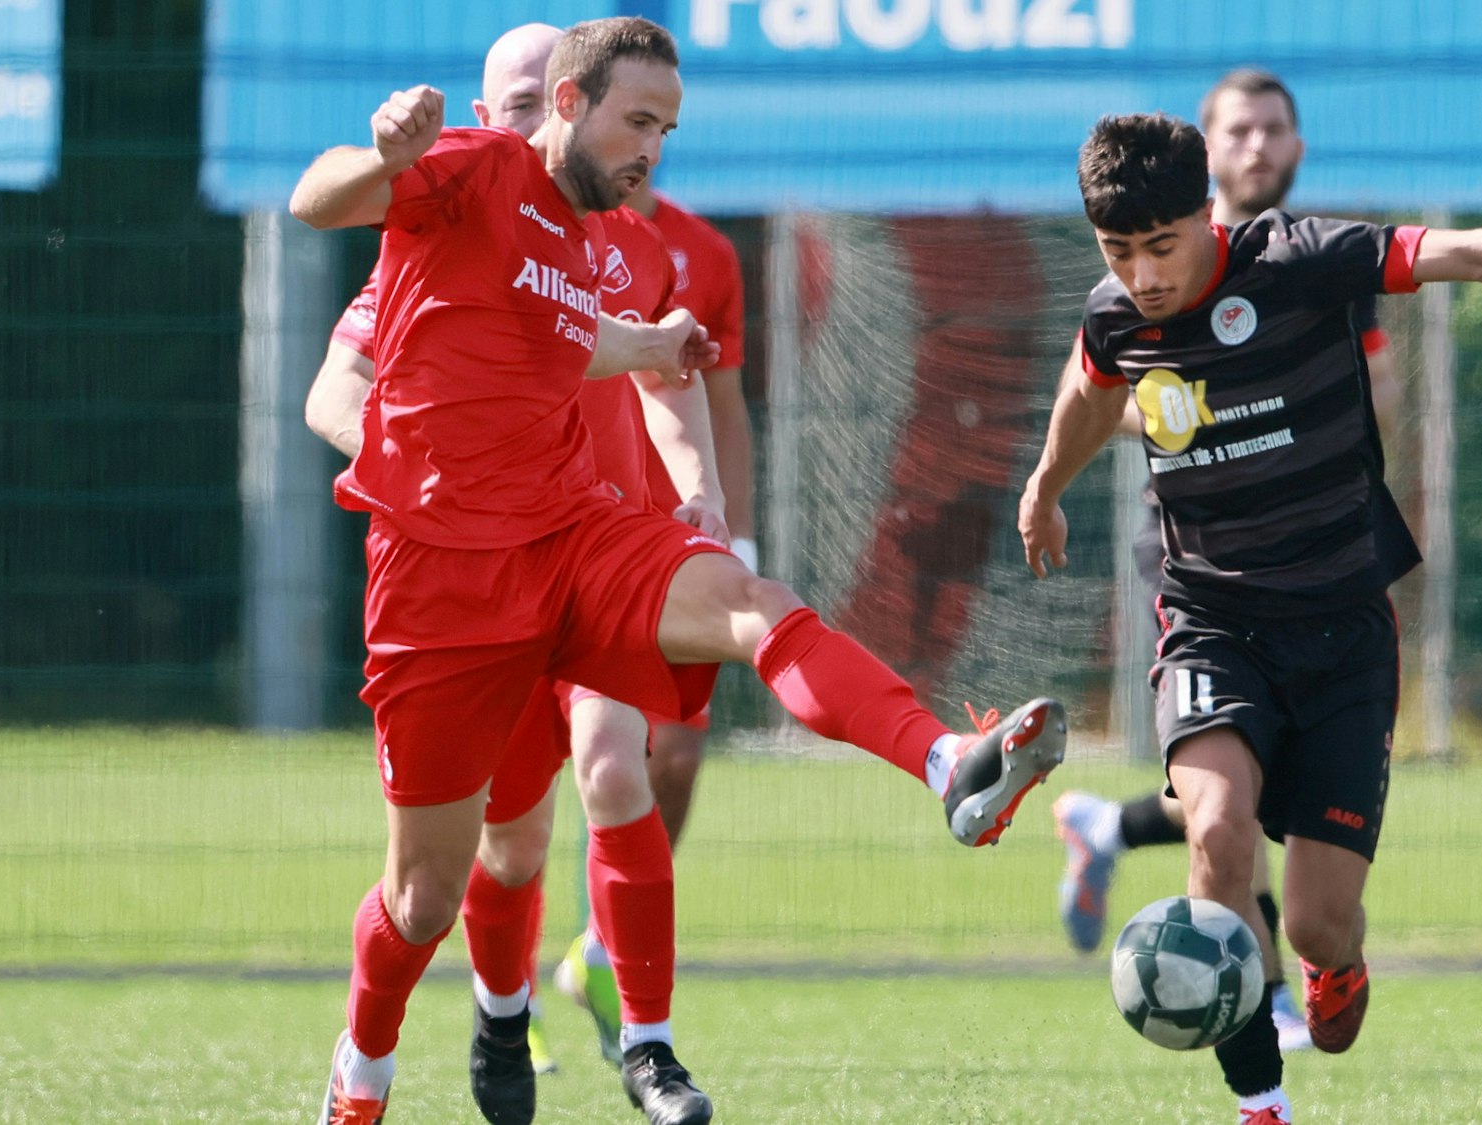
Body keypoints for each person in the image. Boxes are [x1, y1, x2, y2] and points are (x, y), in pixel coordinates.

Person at [290, 17, 1067, 1125]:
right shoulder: (468, 174)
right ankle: (361, 1067)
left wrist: (668, 392)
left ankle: (947, 761)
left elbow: (579, 337)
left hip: (573, 538)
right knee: (423, 900)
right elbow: (317, 202)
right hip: (440, 582)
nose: (652, 148)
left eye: (666, 126)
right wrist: (382, 150)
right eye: (635, 122)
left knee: (751, 607)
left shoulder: (618, 246)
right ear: (562, 106)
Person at [1019, 111, 1482, 1123]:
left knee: (1317, 922)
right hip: (1210, 620)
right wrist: (1045, 486)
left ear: (1204, 216)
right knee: (1216, 834)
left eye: (1159, 246)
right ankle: (1257, 1102)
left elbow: (1466, 256)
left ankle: (1331, 968)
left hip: (1341, 632)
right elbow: (1092, 385)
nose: (1141, 274)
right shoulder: (1115, 316)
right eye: (1117, 251)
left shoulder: (1300, 258)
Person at [1046, 67, 1403, 1056]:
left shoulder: (1310, 260)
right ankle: (1261, 1007)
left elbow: (1370, 380)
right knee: (1221, 808)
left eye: (1272, 129)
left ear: (1292, 147)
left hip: (1324, 575)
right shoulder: (1133, 288)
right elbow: (1101, 395)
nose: (1255, 146)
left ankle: (1107, 831)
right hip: (1202, 567)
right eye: (1236, 129)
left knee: (1275, 833)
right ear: (1209, 150)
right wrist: (1171, 420)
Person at [551, 177, 755, 1068]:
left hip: (646, 543)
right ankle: (501, 998)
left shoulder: (701, 253)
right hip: (532, 538)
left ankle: (604, 951)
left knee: (665, 751)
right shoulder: (514, 229)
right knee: (504, 815)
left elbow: (718, 396)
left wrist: (730, 523)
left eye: (655, 125)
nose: (640, 144)